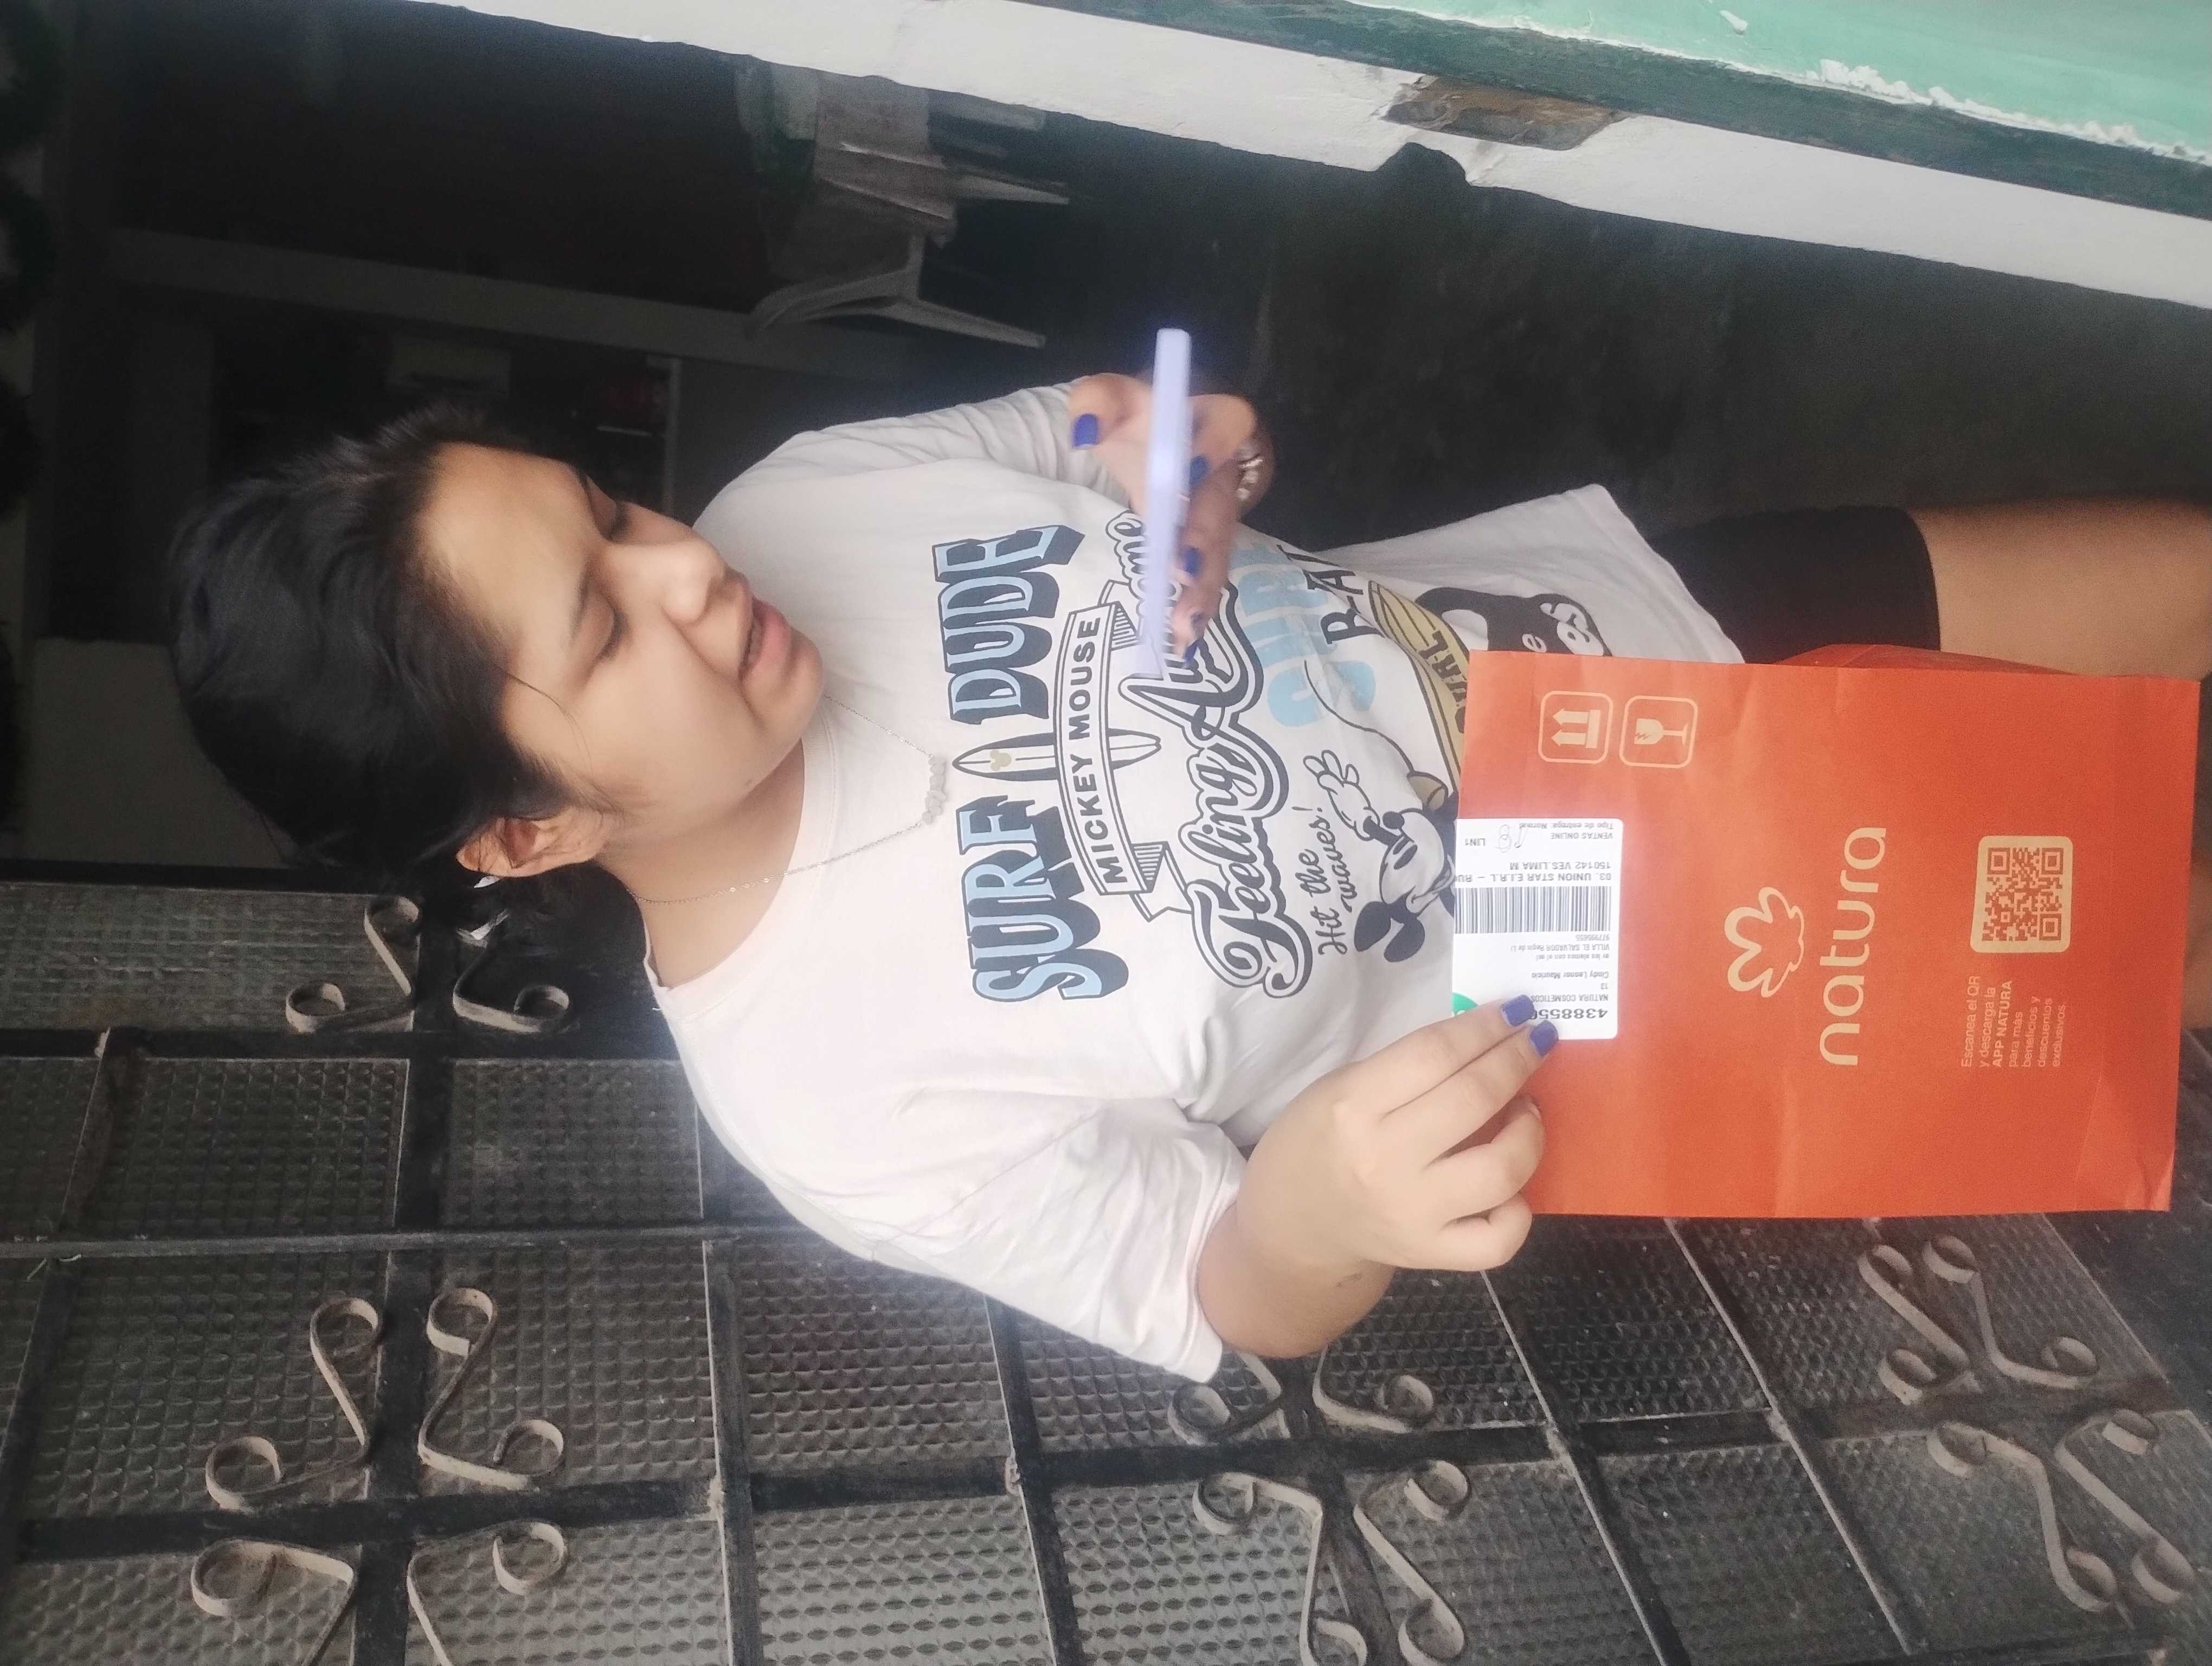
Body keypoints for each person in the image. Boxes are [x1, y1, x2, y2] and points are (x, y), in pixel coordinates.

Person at [166, 377, 2212, 1380]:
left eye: (611, 513)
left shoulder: (811, 497)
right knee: (2163, 926)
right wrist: (1321, 1208)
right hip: (1749, 963)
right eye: (605, 628)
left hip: (1643, 627)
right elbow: (1218, 1293)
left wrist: (1182, 448)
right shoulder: (830, 1102)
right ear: (529, 831)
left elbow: (1116, 427)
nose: (689, 567)